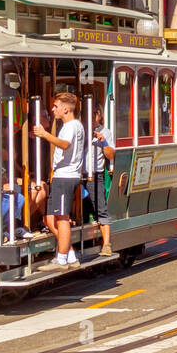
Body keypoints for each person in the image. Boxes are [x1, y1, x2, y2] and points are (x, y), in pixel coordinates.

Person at [33, 92, 85, 270]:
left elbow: (65, 144)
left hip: (66, 176)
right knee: (50, 219)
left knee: (62, 219)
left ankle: (61, 260)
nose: (53, 109)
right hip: (61, 175)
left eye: (56, 106)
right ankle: (70, 255)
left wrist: (44, 134)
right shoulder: (71, 126)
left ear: (65, 109)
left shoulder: (71, 126)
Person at [86, 108, 115, 257]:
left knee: (100, 207)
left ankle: (106, 244)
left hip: (95, 174)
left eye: (92, 115)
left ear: (98, 115)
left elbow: (110, 155)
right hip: (78, 174)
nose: (90, 118)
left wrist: (103, 142)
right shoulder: (80, 129)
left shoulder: (106, 132)